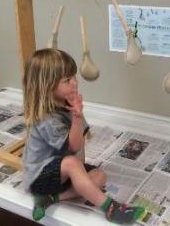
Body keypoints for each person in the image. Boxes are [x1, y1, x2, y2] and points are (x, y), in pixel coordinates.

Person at [22, 48, 146, 224]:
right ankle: (111, 209)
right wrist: (77, 117)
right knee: (72, 164)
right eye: (67, 80)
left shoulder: (68, 105)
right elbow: (73, 147)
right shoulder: (46, 118)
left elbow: (80, 145)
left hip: (61, 174)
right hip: (40, 176)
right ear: (47, 85)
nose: (75, 82)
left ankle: (53, 198)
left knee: (99, 176)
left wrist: (80, 173)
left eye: (73, 77)